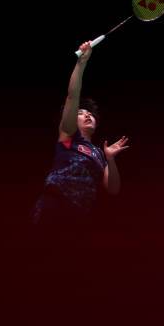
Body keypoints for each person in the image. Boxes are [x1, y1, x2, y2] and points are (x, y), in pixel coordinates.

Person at [32, 41, 130, 232]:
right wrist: (81, 63)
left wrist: (110, 158)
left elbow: (113, 189)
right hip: (54, 205)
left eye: (91, 114)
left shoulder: (99, 154)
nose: (87, 115)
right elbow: (72, 96)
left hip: (80, 214)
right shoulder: (68, 135)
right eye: (81, 112)